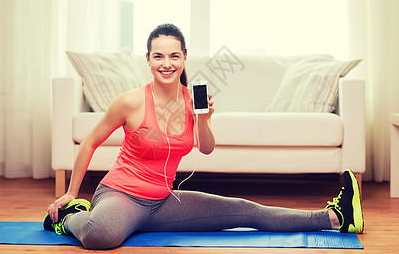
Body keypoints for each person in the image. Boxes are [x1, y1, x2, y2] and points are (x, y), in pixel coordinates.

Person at [44, 23, 364, 250]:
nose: (166, 64)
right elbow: (90, 141)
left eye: (174, 56)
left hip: (163, 203)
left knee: (245, 210)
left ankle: (335, 217)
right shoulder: (130, 101)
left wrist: (205, 120)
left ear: (184, 58)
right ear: (148, 60)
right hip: (121, 196)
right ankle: (70, 218)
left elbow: (207, 149)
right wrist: (72, 192)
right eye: (158, 56)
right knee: (101, 236)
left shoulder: (192, 100)